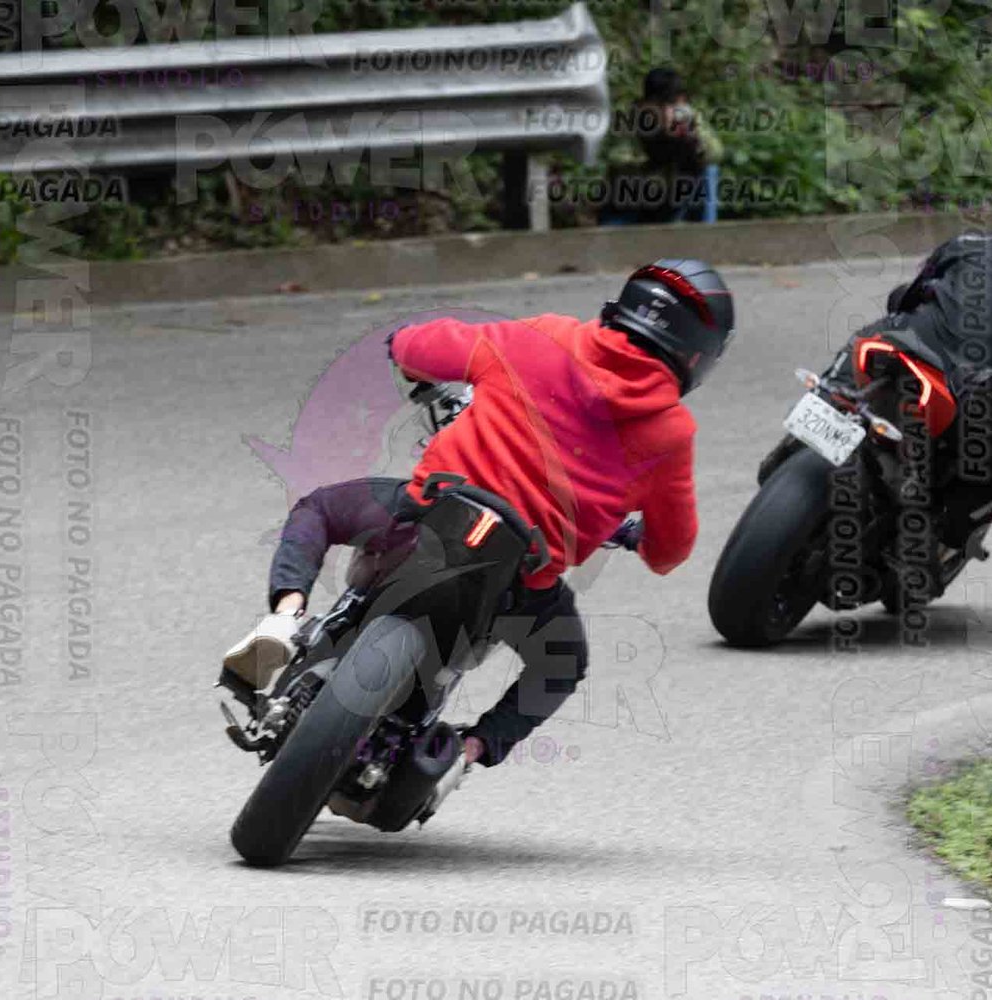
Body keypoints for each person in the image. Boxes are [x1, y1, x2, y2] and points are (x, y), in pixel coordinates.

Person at [223, 258, 734, 791]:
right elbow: (671, 550)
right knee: (561, 664)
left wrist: (402, 345)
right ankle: (464, 753)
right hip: (519, 579)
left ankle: (285, 619)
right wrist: (641, 538)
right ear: (697, 355)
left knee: (318, 509)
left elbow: (418, 348)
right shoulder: (670, 432)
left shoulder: (545, 336)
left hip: (427, 518)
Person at [804, 177, 992, 552]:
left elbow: (909, 297)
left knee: (859, 355)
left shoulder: (965, 244)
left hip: (898, 351)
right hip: (966, 392)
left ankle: (812, 419)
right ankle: (930, 538)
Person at [603, 68, 722, 225]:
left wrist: (693, 143)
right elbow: (617, 160)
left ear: (682, 102)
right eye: (659, 105)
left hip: (674, 201)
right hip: (635, 204)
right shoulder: (631, 121)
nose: (666, 113)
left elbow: (716, 153)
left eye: (672, 104)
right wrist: (655, 159)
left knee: (709, 171)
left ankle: (707, 231)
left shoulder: (689, 118)